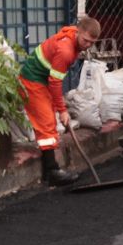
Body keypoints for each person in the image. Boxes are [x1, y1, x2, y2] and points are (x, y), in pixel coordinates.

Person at [18, 17, 101, 187]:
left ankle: (49, 171)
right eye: (85, 40)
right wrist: (62, 110)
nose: (87, 45)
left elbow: (54, 80)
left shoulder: (73, 35)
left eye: (92, 43)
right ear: (78, 32)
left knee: (48, 120)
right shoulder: (65, 51)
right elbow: (55, 83)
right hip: (32, 81)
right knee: (47, 122)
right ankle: (52, 171)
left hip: (43, 79)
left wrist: (59, 107)